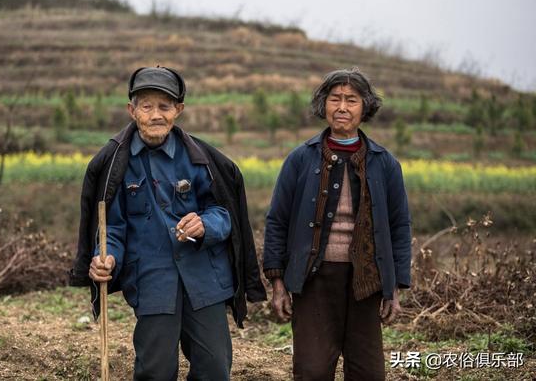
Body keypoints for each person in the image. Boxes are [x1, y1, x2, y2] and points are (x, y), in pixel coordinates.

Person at [69, 66, 266, 380]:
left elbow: (225, 215)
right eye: (147, 106)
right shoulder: (115, 165)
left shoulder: (202, 158)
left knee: (214, 369)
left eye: (165, 106)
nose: (156, 115)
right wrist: (106, 257)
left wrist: (205, 224)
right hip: (152, 282)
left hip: (205, 280)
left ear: (179, 110)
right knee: (155, 371)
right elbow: (113, 228)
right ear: (132, 111)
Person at [263, 68, 412, 380]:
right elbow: (277, 220)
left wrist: (394, 286)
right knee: (312, 370)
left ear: (365, 107)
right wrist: (278, 283)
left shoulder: (385, 163)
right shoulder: (300, 159)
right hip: (313, 279)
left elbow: (399, 227)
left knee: (367, 372)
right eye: (335, 99)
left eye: (352, 100)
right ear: (324, 104)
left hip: (366, 281)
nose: (342, 107)